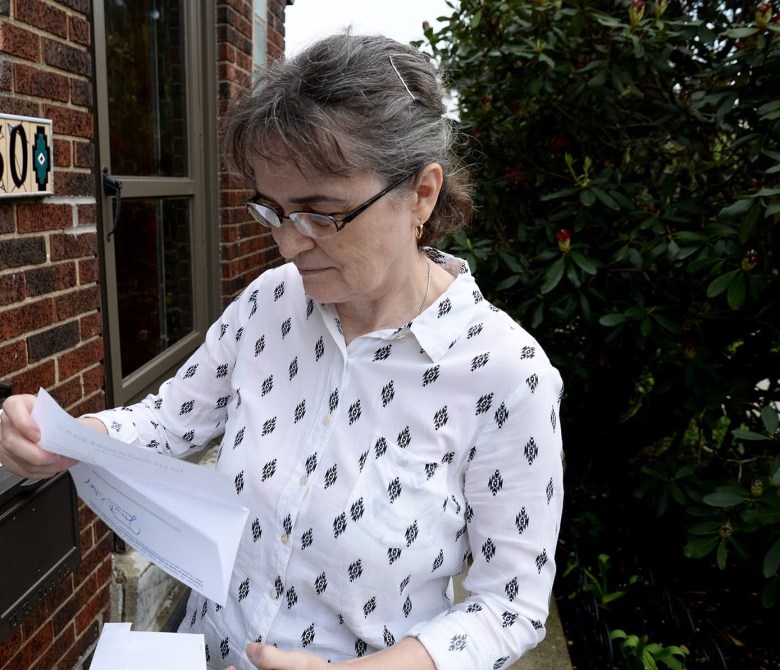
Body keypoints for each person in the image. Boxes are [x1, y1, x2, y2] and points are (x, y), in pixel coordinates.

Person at [0, 32, 564, 670]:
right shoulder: (271, 302)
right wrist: (68, 437)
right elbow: (168, 418)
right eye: (272, 210)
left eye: (322, 213)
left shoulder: (506, 377)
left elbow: (507, 607)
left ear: (422, 194)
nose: (291, 245)